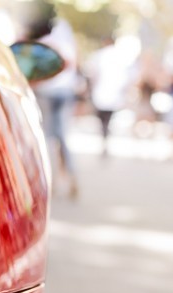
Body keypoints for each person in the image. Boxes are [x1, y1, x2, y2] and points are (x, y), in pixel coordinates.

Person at [25, 4, 80, 198]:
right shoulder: (65, 35)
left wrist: (38, 81)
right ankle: (69, 179)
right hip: (65, 91)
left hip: (47, 93)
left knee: (46, 137)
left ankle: (51, 181)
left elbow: (65, 63)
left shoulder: (42, 42)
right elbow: (72, 61)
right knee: (62, 137)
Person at [85, 37, 134, 157]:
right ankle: (105, 137)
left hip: (103, 92)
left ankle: (104, 137)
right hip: (112, 93)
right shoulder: (120, 57)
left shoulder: (100, 56)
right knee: (107, 119)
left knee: (103, 119)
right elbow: (127, 76)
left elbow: (92, 73)